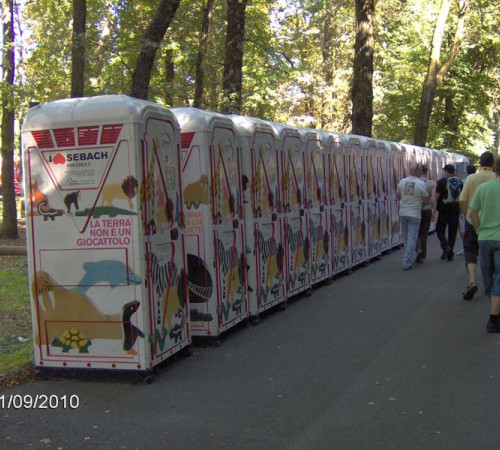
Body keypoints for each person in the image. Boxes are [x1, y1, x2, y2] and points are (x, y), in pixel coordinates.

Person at [459, 152, 495, 300]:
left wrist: (467, 215)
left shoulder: (471, 178)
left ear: (480, 162)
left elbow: (462, 200)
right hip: (491, 222)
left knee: (470, 251)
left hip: (472, 221)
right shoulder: (496, 178)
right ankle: (493, 285)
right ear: (493, 164)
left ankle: (472, 281)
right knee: (492, 253)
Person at [469, 156, 500, 332]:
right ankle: (494, 318)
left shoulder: (484, 188)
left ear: (495, 169)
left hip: (485, 238)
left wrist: (479, 231)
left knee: (488, 277)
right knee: (499, 277)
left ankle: (495, 313)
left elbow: (473, 213)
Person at [397, 163, 429, 270]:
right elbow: (425, 200)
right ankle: (406, 262)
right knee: (412, 238)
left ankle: (409, 260)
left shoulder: (402, 181)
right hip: (415, 213)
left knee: (406, 237)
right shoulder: (421, 184)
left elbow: (398, 196)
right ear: (418, 171)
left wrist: (406, 202)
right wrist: (418, 204)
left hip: (403, 212)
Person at [435, 164, 462, 261]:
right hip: (455, 209)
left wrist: (435, 207)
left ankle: (446, 247)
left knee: (440, 230)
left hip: (443, 209)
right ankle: (450, 253)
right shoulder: (459, 181)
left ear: (446, 171)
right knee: (452, 232)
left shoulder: (442, 181)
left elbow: (437, 196)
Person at [415, 164, 436, 264]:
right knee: (424, 233)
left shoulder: (415, 182)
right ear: (427, 172)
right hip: (427, 210)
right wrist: (434, 211)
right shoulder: (431, 183)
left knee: (415, 231)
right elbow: (433, 198)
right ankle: (422, 255)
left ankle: (418, 248)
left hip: (416, 209)